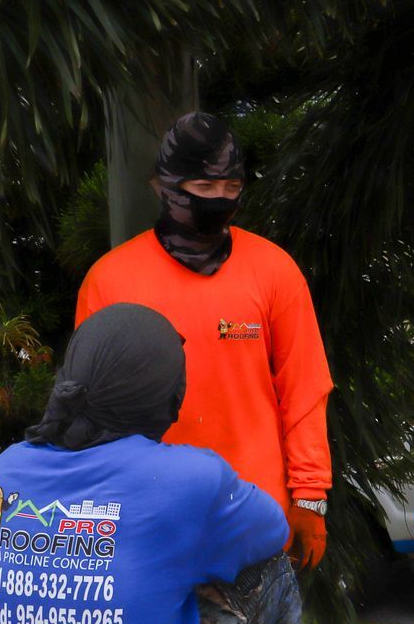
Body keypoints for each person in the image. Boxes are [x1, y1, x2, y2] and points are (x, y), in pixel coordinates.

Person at [0, 303, 302, 624]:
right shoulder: (188, 479)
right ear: (168, 392)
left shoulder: (4, 470)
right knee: (272, 571)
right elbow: (272, 531)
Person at [76, 112, 334, 571]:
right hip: (150, 522)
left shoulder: (275, 271)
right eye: (203, 189)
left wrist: (311, 498)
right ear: (165, 188)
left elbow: (304, 391)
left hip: (256, 521)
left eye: (231, 190)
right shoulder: (110, 280)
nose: (219, 201)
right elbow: (88, 409)